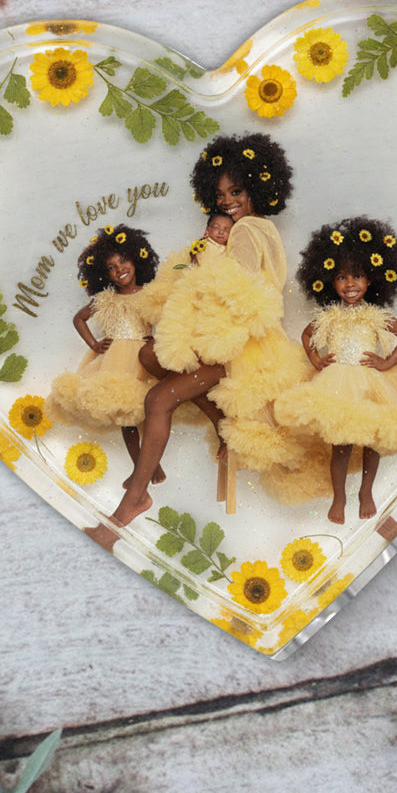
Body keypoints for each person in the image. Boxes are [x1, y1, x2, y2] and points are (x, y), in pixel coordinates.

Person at [111, 132, 320, 526]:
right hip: (251, 337)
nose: (227, 201)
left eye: (236, 190)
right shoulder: (265, 228)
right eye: (220, 195)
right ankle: (218, 422)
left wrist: (198, 280)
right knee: (148, 354)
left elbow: (235, 293)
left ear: (258, 186)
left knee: (158, 401)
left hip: (239, 343)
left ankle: (133, 501)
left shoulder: (244, 230)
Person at [274, 216, 397, 524]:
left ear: (371, 280)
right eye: (342, 278)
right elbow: (306, 335)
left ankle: (365, 491)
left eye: (357, 276)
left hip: (370, 381)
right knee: (340, 444)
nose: (350, 284)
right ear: (330, 281)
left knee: (372, 440)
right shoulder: (330, 315)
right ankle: (339, 496)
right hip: (337, 382)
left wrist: (386, 362)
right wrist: (316, 361)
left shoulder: (375, 314)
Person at [46, 224, 167, 483]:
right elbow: (79, 319)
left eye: (123, 261)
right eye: (111, 267)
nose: (119, 269)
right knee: (125, 415)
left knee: (147, 410)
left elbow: (167, 319)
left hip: (143, 359)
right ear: (105, 275)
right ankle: (140, 469)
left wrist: (157, 340)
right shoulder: (106, 299)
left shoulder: (149, 295)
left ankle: (150, 466)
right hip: (115, 361)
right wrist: (93, 344)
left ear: (136, 259)